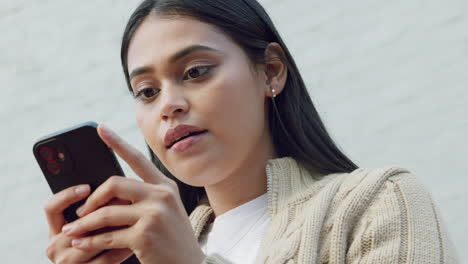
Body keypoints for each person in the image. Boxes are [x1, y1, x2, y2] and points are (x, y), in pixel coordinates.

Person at [44, 0, 458, 263]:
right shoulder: (138, 253)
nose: (169, 105)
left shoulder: (379, 202)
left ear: (271, 72)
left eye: (195, 71)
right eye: (147, 91)